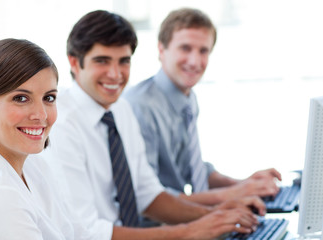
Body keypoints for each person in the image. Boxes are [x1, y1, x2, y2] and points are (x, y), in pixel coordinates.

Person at [43, 10, 265, 240]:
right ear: (74, 62)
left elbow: (148, 194)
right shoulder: (59, 124)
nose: (115, 74)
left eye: (124, 61)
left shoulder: (121, 109)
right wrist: (191, 231)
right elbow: (87, 232)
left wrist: (216, 216)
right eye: (102, 61)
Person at [124, 7, 282, 206]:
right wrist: (235, 193)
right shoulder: (140, 108)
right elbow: (152, 201)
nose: (195, 61)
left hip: (182, 216)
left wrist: (244, 184)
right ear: (161, 50)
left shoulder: (187, 99)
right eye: (185, 48)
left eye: (203, 51)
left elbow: (192, 168)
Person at [0, 38, 91, 239]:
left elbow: (77, 233)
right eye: (21, 98)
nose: (41, 114)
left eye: (48, 98)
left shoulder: (32, 165)